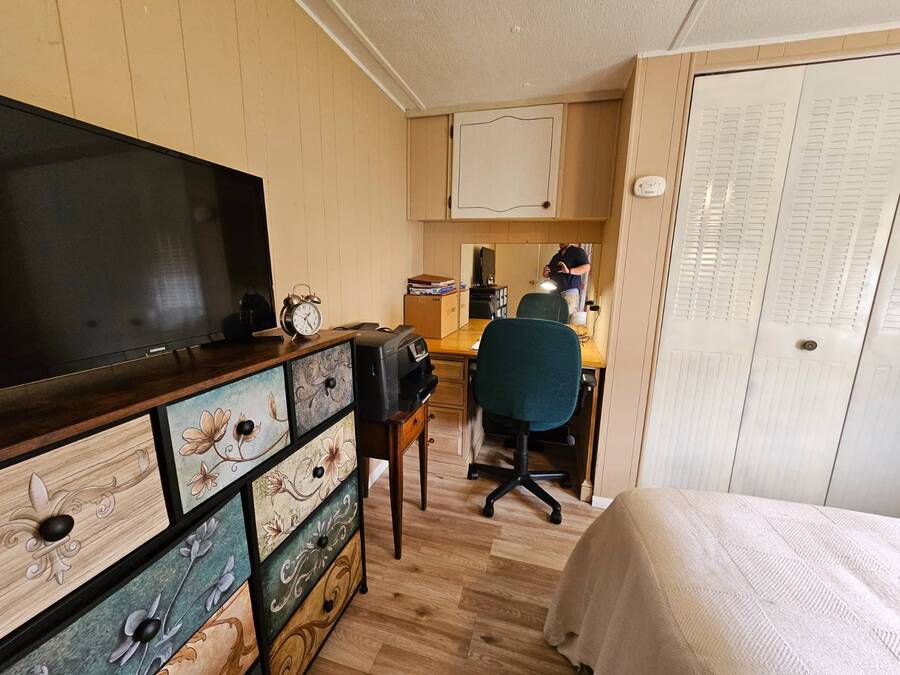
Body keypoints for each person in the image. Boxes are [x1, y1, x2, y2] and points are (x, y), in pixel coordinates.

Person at [543, 243, 591, 320]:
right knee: (552, 317)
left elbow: (586, 267)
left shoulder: (577, 251)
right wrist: (545, 273)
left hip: (569, 291)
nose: (560, 242)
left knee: (565, 317)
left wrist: (569, 271)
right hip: (554, 292)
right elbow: (548, 273)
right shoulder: (556, 256)